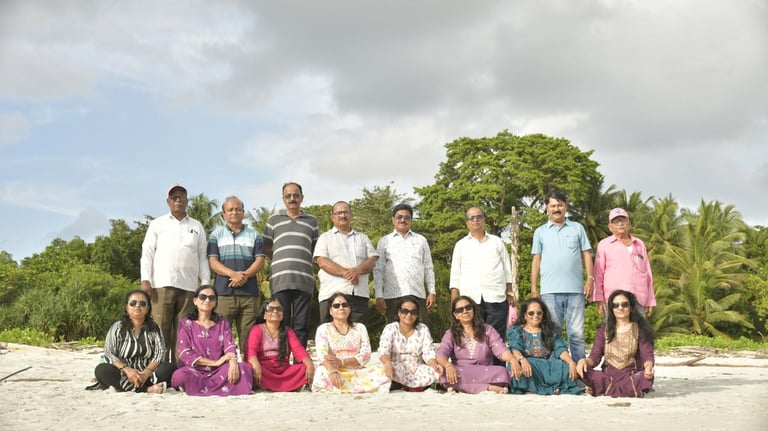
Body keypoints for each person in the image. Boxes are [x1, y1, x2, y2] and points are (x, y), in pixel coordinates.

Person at [140, 183, 210, 362]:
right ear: (168, 201)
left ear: (187, 201)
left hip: (189, 287)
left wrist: (205, 285)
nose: (178, 200)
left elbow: (203, 256)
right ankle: (160, 369)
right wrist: (145, 279)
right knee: (160, 329)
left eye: (182, 197)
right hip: (162, 285)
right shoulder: (157, 224)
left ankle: (181, 370)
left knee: (183, 332)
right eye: (174, 197)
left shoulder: (197, 226)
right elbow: (147, 252)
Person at [530, 190, 593, 361]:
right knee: (552, 333)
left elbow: (587, 253)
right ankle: (555, 369)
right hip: (549, 291)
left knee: (577, 335)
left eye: (560, 205)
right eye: (552, 205)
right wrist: (534, 287)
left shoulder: (577, 228)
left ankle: (580, 370)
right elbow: (536, 260)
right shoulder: (540, 232)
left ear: (565, 206)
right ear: (546, 208)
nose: (556, 209)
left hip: (575, 291)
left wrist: (590, 279)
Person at [208, 195, 266, 355]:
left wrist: (244, 276)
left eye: (238, 209)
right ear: (224, 214)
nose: (234, 212)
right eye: (230, 210)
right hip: (224, 294)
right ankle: (221, 369)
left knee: (249, 340)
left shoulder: (254, 235)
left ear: (243, 212)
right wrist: (233, 274)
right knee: (220, 337)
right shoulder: (216, 235)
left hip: (249, 295)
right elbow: (213, 262)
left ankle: (248, 370)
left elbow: (260, 260)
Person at [263, 182, 319, 347]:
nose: (292, 198)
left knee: (301, 325)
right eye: (288, 196)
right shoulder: (273, 220)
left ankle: (300, 359)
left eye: (296, 195)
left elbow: (315, 249)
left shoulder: (311, 221)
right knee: (280, 322)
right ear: (283, 199)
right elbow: (267, 247)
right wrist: (282, 262)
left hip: (304, 280)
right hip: (280, 280)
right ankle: (282, 358)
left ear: (302, 198)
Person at [171, 286, 253, 396]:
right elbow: (184, 353)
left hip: (218, 370)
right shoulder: (186, 323)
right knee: (180, 376)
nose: (207, 300)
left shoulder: (222, 323)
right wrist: (215, 362)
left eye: (211, 298)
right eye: (202, 297)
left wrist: (233, 363)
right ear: (195, 301)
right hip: (194, 369)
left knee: (244, 368)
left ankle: (200, 387)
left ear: (215, 303)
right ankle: (222, 387)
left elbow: (230, 347)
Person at [449, 207, 516, 340]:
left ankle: (496, 356)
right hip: (471, 299)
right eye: (471, 218)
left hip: (496, 297)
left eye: (478, 217)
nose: (475, 220)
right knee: (474, 337)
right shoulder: (461, 245)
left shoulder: (497, 242)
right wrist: (454, 299)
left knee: (496, 338)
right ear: (467, 222)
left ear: (484, 220)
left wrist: (510, 293)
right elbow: (455, 273)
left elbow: (507, 269)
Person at [88, 289, 174, 393]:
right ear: (126, 307)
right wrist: (128, 370)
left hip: (148, 373)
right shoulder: (117, 327)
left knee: (169, 368)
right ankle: (147, 389)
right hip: (123, 372)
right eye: (133, 303)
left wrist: (146, 373)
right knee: (101, 370)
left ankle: (130, 387)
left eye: (142, 303)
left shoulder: (154, 328)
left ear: (147, 308)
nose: (137, 306)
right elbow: (109, 353)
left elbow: (160, 352)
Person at [577, 290, 655, 397]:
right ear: (611, 309)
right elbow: (595, 357)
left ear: (631, 307)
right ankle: (618, 389)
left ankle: (602, 389)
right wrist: (583, 361)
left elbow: (647, 355)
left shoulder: (639, 329)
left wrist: (648, 367)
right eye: (615, 305)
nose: (620, 308)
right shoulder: (604, 329)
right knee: (582, 370)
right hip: (608, 377)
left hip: (630, 376)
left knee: (645, 377)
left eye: (625, 304)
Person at [311, 293, 391, 393]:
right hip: (335, 370)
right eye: (336, 306)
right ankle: (355, 388)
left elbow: (366, 354)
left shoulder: (360, 327)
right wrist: (332, 371)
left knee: (382, 370)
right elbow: (322, 355)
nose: (341, 308)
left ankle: (344, 388)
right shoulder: (324, 329)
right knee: (321, 372)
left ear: (349, 309)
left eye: (345, 305)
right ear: (330, 311)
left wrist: (343, 362)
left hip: (357, 371)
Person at [435, 296, 516, 394]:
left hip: (484, 371)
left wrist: (512, 360)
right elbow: (441, 353)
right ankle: (488, 387)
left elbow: (500, 349)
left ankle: (462, 387)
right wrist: (448, 365)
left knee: (502, 372)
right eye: (460, 310)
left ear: (473, 309)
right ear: (456, 315)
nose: (465, 311)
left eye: (468, 307)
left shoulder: (487, 330)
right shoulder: (451, 333)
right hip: (461, 370)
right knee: (444, 373)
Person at [314, 201, 378, 324]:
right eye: (338, 213)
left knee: (358, 333)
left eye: (345, 212)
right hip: (331, 296)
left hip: (358, 296)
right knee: (330, 334)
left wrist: (357, 271)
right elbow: (322, 261)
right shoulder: (325, 238)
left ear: (351, 215)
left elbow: (372, 260)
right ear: (332, 217)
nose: (342, 215)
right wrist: (346, 273)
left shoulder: (362, 238)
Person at [374, 203, 436, 324]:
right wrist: (378, 295)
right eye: (399, 217)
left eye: (407, 217)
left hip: (417, 293)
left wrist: (432, 291)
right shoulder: (384, 241)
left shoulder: (421, 240)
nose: (403, 220)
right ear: (393, 220)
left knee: (421, 329)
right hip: (393, 296)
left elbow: (428, 267)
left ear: (411, 220)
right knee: (394, 330)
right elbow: (378, 270)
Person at [506, 298, 583, 395]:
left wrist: (571, 362)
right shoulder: (516, 331)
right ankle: (547, 388)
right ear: (525, 315)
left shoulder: (550, 330)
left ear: (543, 314)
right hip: (528, 365)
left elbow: (560, 348)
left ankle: (545, 388)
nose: (535, 316)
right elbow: (515, 348)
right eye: (531, 313)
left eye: (539, 313)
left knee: (566, 367)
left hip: (547, 366)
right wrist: (522, 359)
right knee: (514, 367)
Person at [593, 208, 655, 317]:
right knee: (615, 328)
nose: (620, 223)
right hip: (614, 301)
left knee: (639, 328)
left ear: (629, 224)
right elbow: (598, 274)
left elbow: (647, 273)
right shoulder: (604, 245)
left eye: (623, 220)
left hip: (639, 300)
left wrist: (650, 300)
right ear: (610, 226)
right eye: (616, 221)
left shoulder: (639, 244)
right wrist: (599, 299)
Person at [245, 298, 315, 392]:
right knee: (248, 368)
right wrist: (255, 364)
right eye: (270, 309)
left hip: (283, 370)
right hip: (263, 370)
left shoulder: (288, 331)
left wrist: (309, 363)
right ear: (264, 315)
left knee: (305, 367)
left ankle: (270, 385)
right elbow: (251, 351)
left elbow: (298, 350)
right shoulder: (256, 330)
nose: (275, 311)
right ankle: (288, 385)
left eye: (279, 309)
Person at [378, 298, 442, 391]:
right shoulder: (390, 328)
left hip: (417, 368)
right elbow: (384, 350)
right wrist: (387, 363)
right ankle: (411, 385)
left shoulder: (423, 329)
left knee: (437, 371)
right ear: (399, 313)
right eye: (405, 311)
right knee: (381, 370)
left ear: (417, 314)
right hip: (396, 366)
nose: (409, 315)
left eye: (413, 312)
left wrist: (434, 365)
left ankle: (402, 384)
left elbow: (428, 352)